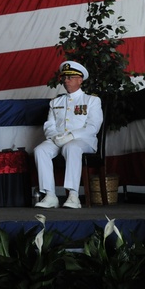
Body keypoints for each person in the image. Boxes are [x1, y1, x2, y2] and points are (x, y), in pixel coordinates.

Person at [34, 60, 103, 209]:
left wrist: (71, 136)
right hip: (58, 139)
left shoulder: (91, 100)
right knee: (40, 150)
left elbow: (93, 127)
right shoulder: (55, 102)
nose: (66, 81)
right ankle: (50, 195)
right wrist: (54, 137)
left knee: (71, 148)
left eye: (70, 77)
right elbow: (49, 125)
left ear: (80, 79)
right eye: (64, 77)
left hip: (83, 141)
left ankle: (73, 195)